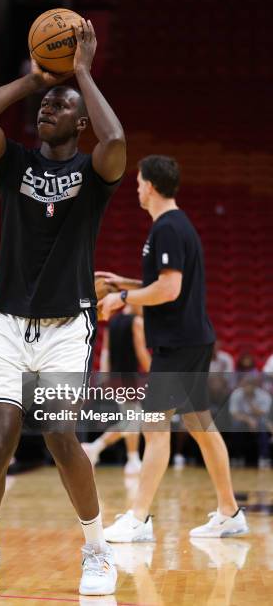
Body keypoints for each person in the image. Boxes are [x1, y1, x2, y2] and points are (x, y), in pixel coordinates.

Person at [0, 18, 126, 595]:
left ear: (80, 121)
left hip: (65, 325)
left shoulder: (92, 172)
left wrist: (79, 72)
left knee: (57, 432)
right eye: (44, 104)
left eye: (59, 105)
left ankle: (98, 551)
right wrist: (35, 79)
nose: (45, 110)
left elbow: (117, 144)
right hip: (7, 324)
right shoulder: (15, 166)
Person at [98, 155, 249, 541]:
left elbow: (169, 290)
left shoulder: (167, 228)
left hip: (178, 342)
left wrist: (123, 298)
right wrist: (122, 282)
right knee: (200, 426)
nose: (135, 189)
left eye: (137, 183)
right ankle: (229, 511)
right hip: (192, 338)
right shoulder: (175, 226)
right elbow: (166, 283)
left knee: (155, 427)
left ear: (149, 185)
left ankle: (139, 518)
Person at [82, 303, 150, 474]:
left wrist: (105, 377)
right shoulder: (137, 322)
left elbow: (105, 352)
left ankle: (100, 449)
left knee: (132, 419)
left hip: (116, 377)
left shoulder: (112, 322)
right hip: (130, 377)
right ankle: (130, 458)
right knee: (133, 419)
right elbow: (141, 351)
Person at [228, 377, 271, 468]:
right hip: (243, 419)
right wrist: (249, 420)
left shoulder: (264, 396)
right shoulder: (236, 394)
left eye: (251, 385)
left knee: (263, 425)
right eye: (246, 385)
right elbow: (234, 414)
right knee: (236, 425)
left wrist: (254, 408)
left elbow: (265, 413)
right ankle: (237, 457)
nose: (248, 388)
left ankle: (264, 457)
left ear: (256, 386)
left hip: (260, 419)